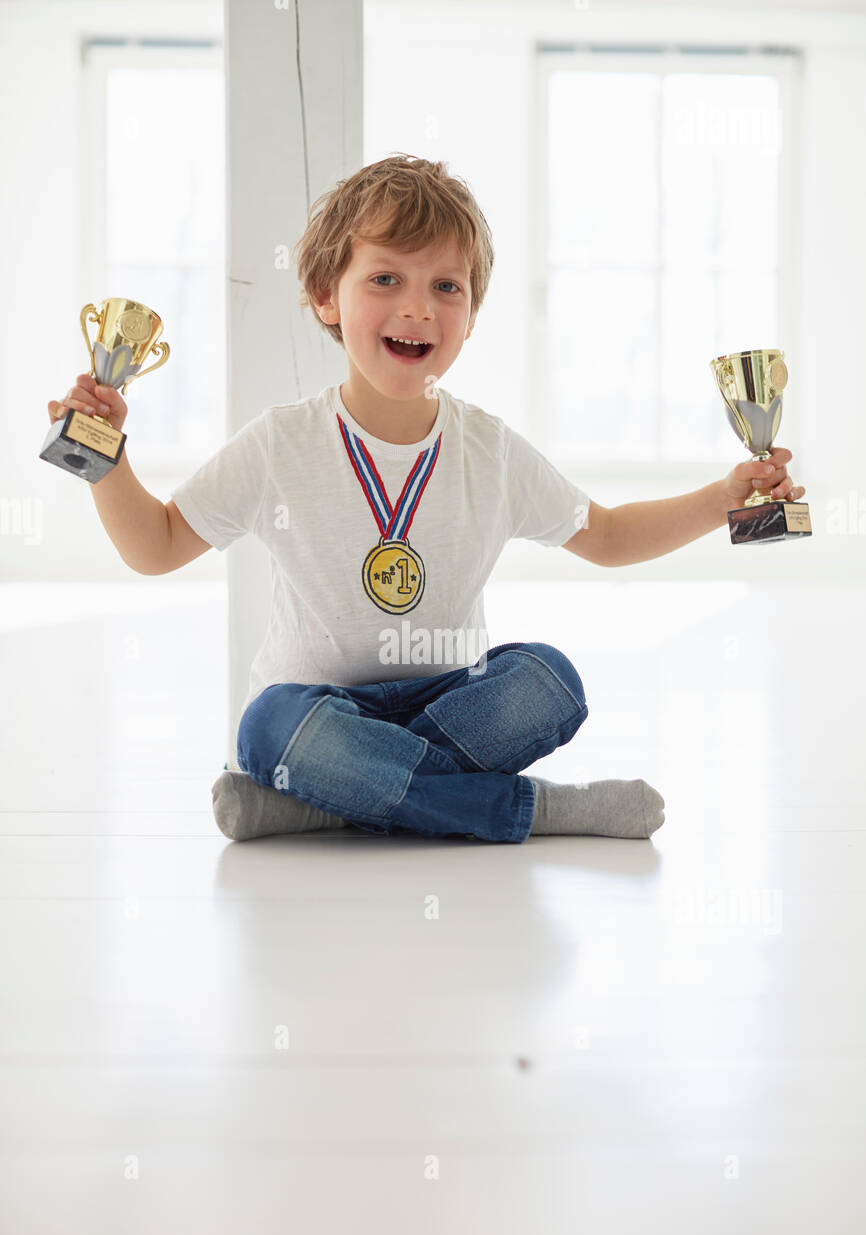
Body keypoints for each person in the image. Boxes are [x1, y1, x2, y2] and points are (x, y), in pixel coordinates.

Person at [47, 154, 804, 844]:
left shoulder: (491, 450)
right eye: (386, 279)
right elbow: (157, 547)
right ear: (324, 297)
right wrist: (106, 459)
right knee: (268, 723)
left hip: (453, 704)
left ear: (470, 316)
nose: (418, 308)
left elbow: (604, 537)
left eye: (446, 287)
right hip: (315, 712)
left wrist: (722, 498)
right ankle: (536, 809)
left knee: (550, 681)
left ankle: (329, 802)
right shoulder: (280, 443)